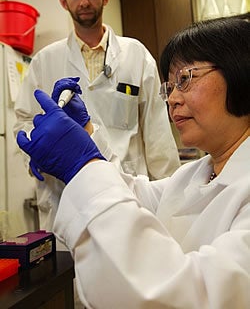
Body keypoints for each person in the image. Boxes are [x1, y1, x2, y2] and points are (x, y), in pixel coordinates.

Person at [16, 17, 250, 308]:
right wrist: (87, 133)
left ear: (241, 73)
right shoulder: (195, 175)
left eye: (186, 79)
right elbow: (131, 195)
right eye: (171, 86)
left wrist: (82, 165)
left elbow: (194, 295)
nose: (173, 99)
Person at [13, 0, 180, 231]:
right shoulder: (44, 61)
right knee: (71, 274)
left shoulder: (136, 55)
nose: (84, 2)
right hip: (66, 197)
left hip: (126, 194)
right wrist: (36, 152)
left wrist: (173, 200)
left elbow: (158, 135)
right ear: (63, 1)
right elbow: (24, 122)